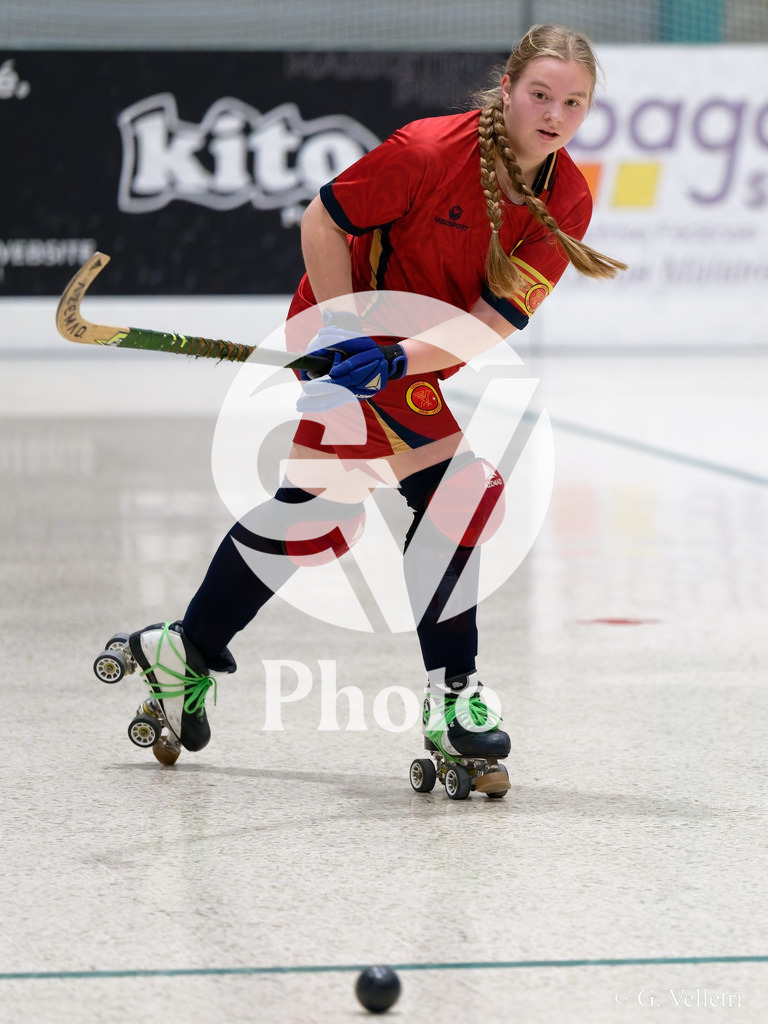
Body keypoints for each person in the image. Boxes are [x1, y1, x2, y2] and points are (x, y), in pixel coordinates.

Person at [119, 24, 627, 787]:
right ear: (509, 89)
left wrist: (395, 358)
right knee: (454, 492)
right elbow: (322, 220)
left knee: (318, 512)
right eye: (541, 95)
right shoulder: (427, 152)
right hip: (339, 330)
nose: (554, 114)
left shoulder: (568, 199)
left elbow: (491, 321)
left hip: (401, 358)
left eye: (573, 103)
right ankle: (454, 702)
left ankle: (182, 648)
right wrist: (341, 328)